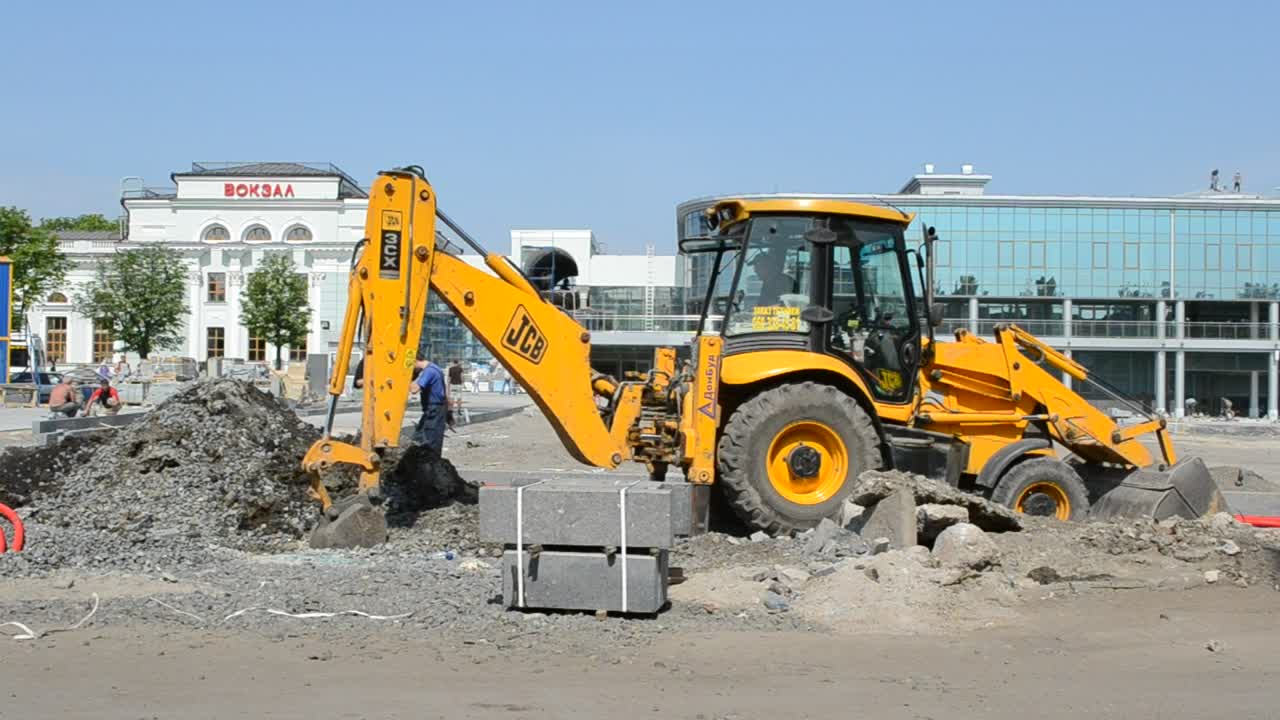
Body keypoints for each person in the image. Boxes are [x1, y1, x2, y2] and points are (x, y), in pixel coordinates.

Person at [410, 357, 449, 455]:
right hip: (436, 408)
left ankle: (430, 462)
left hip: (434, 408)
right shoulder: (435, 368)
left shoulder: (429, 372)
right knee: (420, 436)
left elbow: (414, 389)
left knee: (429, 439)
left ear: (415, 360)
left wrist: (404, 379)